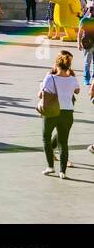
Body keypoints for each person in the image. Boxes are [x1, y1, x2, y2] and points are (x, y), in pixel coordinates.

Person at [37, 49, 78, 179]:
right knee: (63, 142)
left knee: (46, 138)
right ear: (68, 65)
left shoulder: (50, 78)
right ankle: (62, 172)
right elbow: (77, 91)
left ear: (56, 64)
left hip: (51, 112)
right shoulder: (72, 79)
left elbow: (41, 94)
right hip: (67, 113)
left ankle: (50, 167)